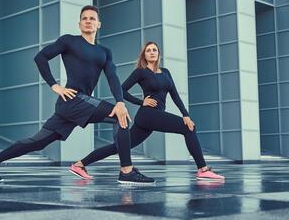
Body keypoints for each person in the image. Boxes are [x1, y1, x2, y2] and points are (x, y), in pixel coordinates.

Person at [0, 5, 154, 185]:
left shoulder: (104, 52)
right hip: (71, 100)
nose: (88, 21)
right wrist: (55, 86)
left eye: (92, 18)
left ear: (98, 24)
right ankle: (126, 170)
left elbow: (112, 77)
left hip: (76, 104)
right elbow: (41, 57)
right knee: (118, 116)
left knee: (38, 142)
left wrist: (120, 101)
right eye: (84, 18)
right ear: (79, 24)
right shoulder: (69, 41)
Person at [70, 41, 225, 181]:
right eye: (148, 50)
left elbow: (175, 95)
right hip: (148, 115)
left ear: (158, 54)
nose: (152, 52)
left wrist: (186, 115)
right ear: (144, 55)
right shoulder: (141, 72)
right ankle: (202, 169)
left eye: (154, 50)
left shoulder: (166, 72)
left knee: (119, 146)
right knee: (188, 129)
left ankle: (79, 165)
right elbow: (121, 90)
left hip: (151, 118)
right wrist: (140, 101)